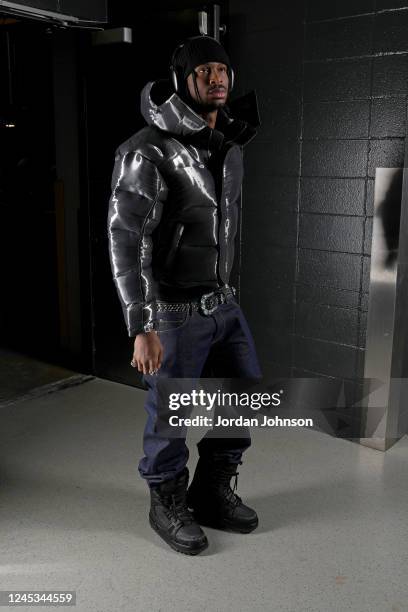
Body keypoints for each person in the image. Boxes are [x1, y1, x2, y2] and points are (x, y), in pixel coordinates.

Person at [107, 35, 262, 555]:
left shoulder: (230, 146)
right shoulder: (145, 149)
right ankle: (166, 500)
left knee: (245, 397)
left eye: (223, 70)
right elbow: (127, 240)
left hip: (222, 301)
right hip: (171, 311)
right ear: (182, 81)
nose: (217, 79)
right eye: (204, 72)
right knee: (172, 411)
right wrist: (142, 323)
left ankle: (212, 491)